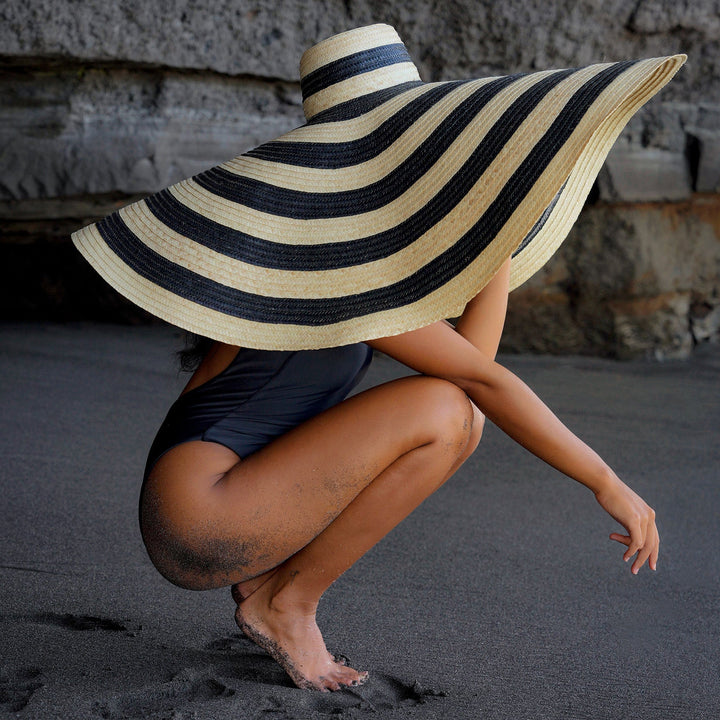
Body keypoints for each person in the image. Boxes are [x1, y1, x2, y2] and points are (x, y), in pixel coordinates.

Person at [71, 24, 684, 692]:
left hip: (219, 506)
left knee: (456, 414)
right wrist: (605, 482)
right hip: (202, 513)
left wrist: (494, 239)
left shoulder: (339, 263)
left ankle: (277, 588)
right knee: (448, 408)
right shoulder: (328, 270)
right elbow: (479, 379)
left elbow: (471, 371)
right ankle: (287, 603)